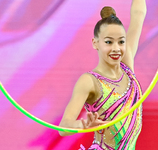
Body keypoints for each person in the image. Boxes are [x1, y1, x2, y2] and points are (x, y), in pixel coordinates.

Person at [59, 0, 147, 149]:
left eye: (121, 42)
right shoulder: (89, 81)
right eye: (108, 42)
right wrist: (84, 125)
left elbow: (138, 14)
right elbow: (64, 126)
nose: (116, 48)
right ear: (95, 43)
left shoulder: (127, 67)